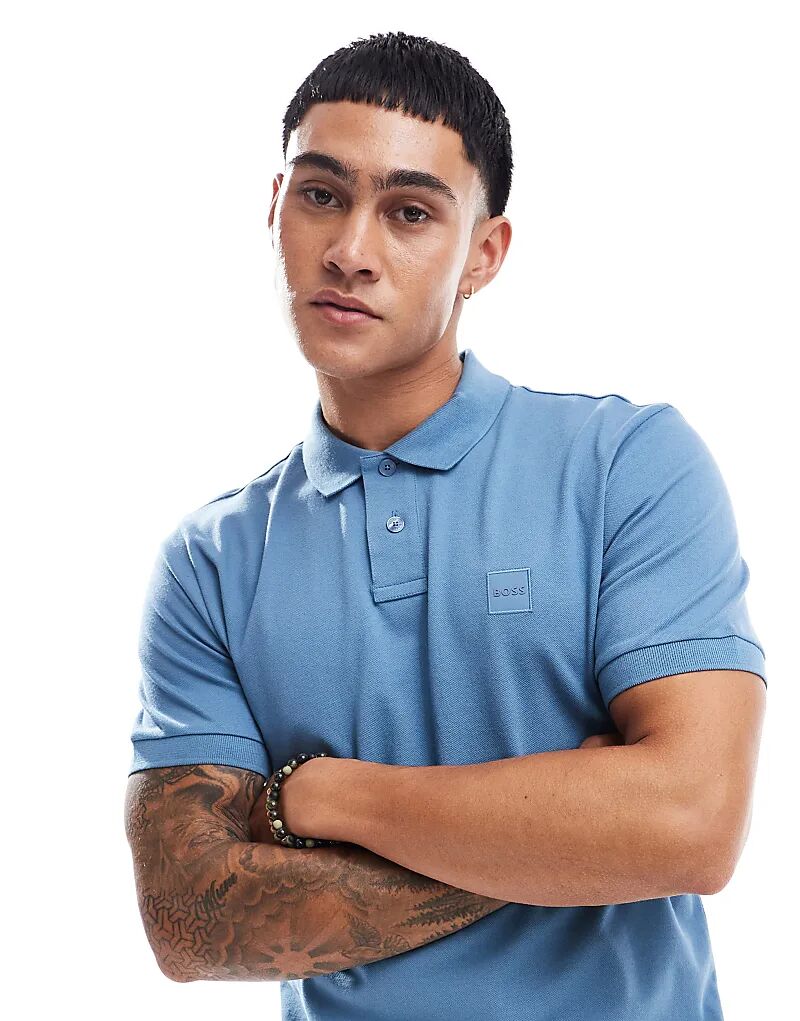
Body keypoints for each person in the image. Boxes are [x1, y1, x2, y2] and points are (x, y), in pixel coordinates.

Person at [124, 30, 767, 1020]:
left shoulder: (625, 464)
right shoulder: (211, 561)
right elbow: (190, 920)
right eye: (321, 194)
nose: (350, 251)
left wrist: (324, 797)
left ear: (483, 253)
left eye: (410, 212)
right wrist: (574, 832)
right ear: (274, 206)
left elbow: (690, 823)